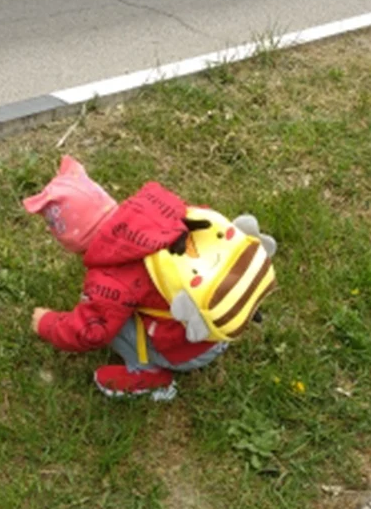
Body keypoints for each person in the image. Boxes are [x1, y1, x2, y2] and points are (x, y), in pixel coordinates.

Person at [25, 156, 274, 401]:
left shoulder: (111, 275)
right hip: (225, 321)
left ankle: (149, 377)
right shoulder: (155, 212)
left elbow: (91, 331)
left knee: (111, 318)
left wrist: (47, 323)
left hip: (190, 351)